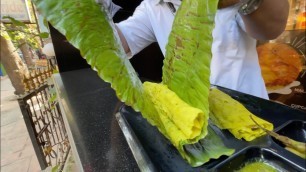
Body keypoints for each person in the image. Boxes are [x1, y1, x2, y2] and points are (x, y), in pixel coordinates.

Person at [102, 0, 289, 99]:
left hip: (251, 111)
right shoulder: (153, 6)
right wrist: (87, 15)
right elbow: (117, 44)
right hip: (196, 119)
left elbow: (272, 28)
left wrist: (248, 1)